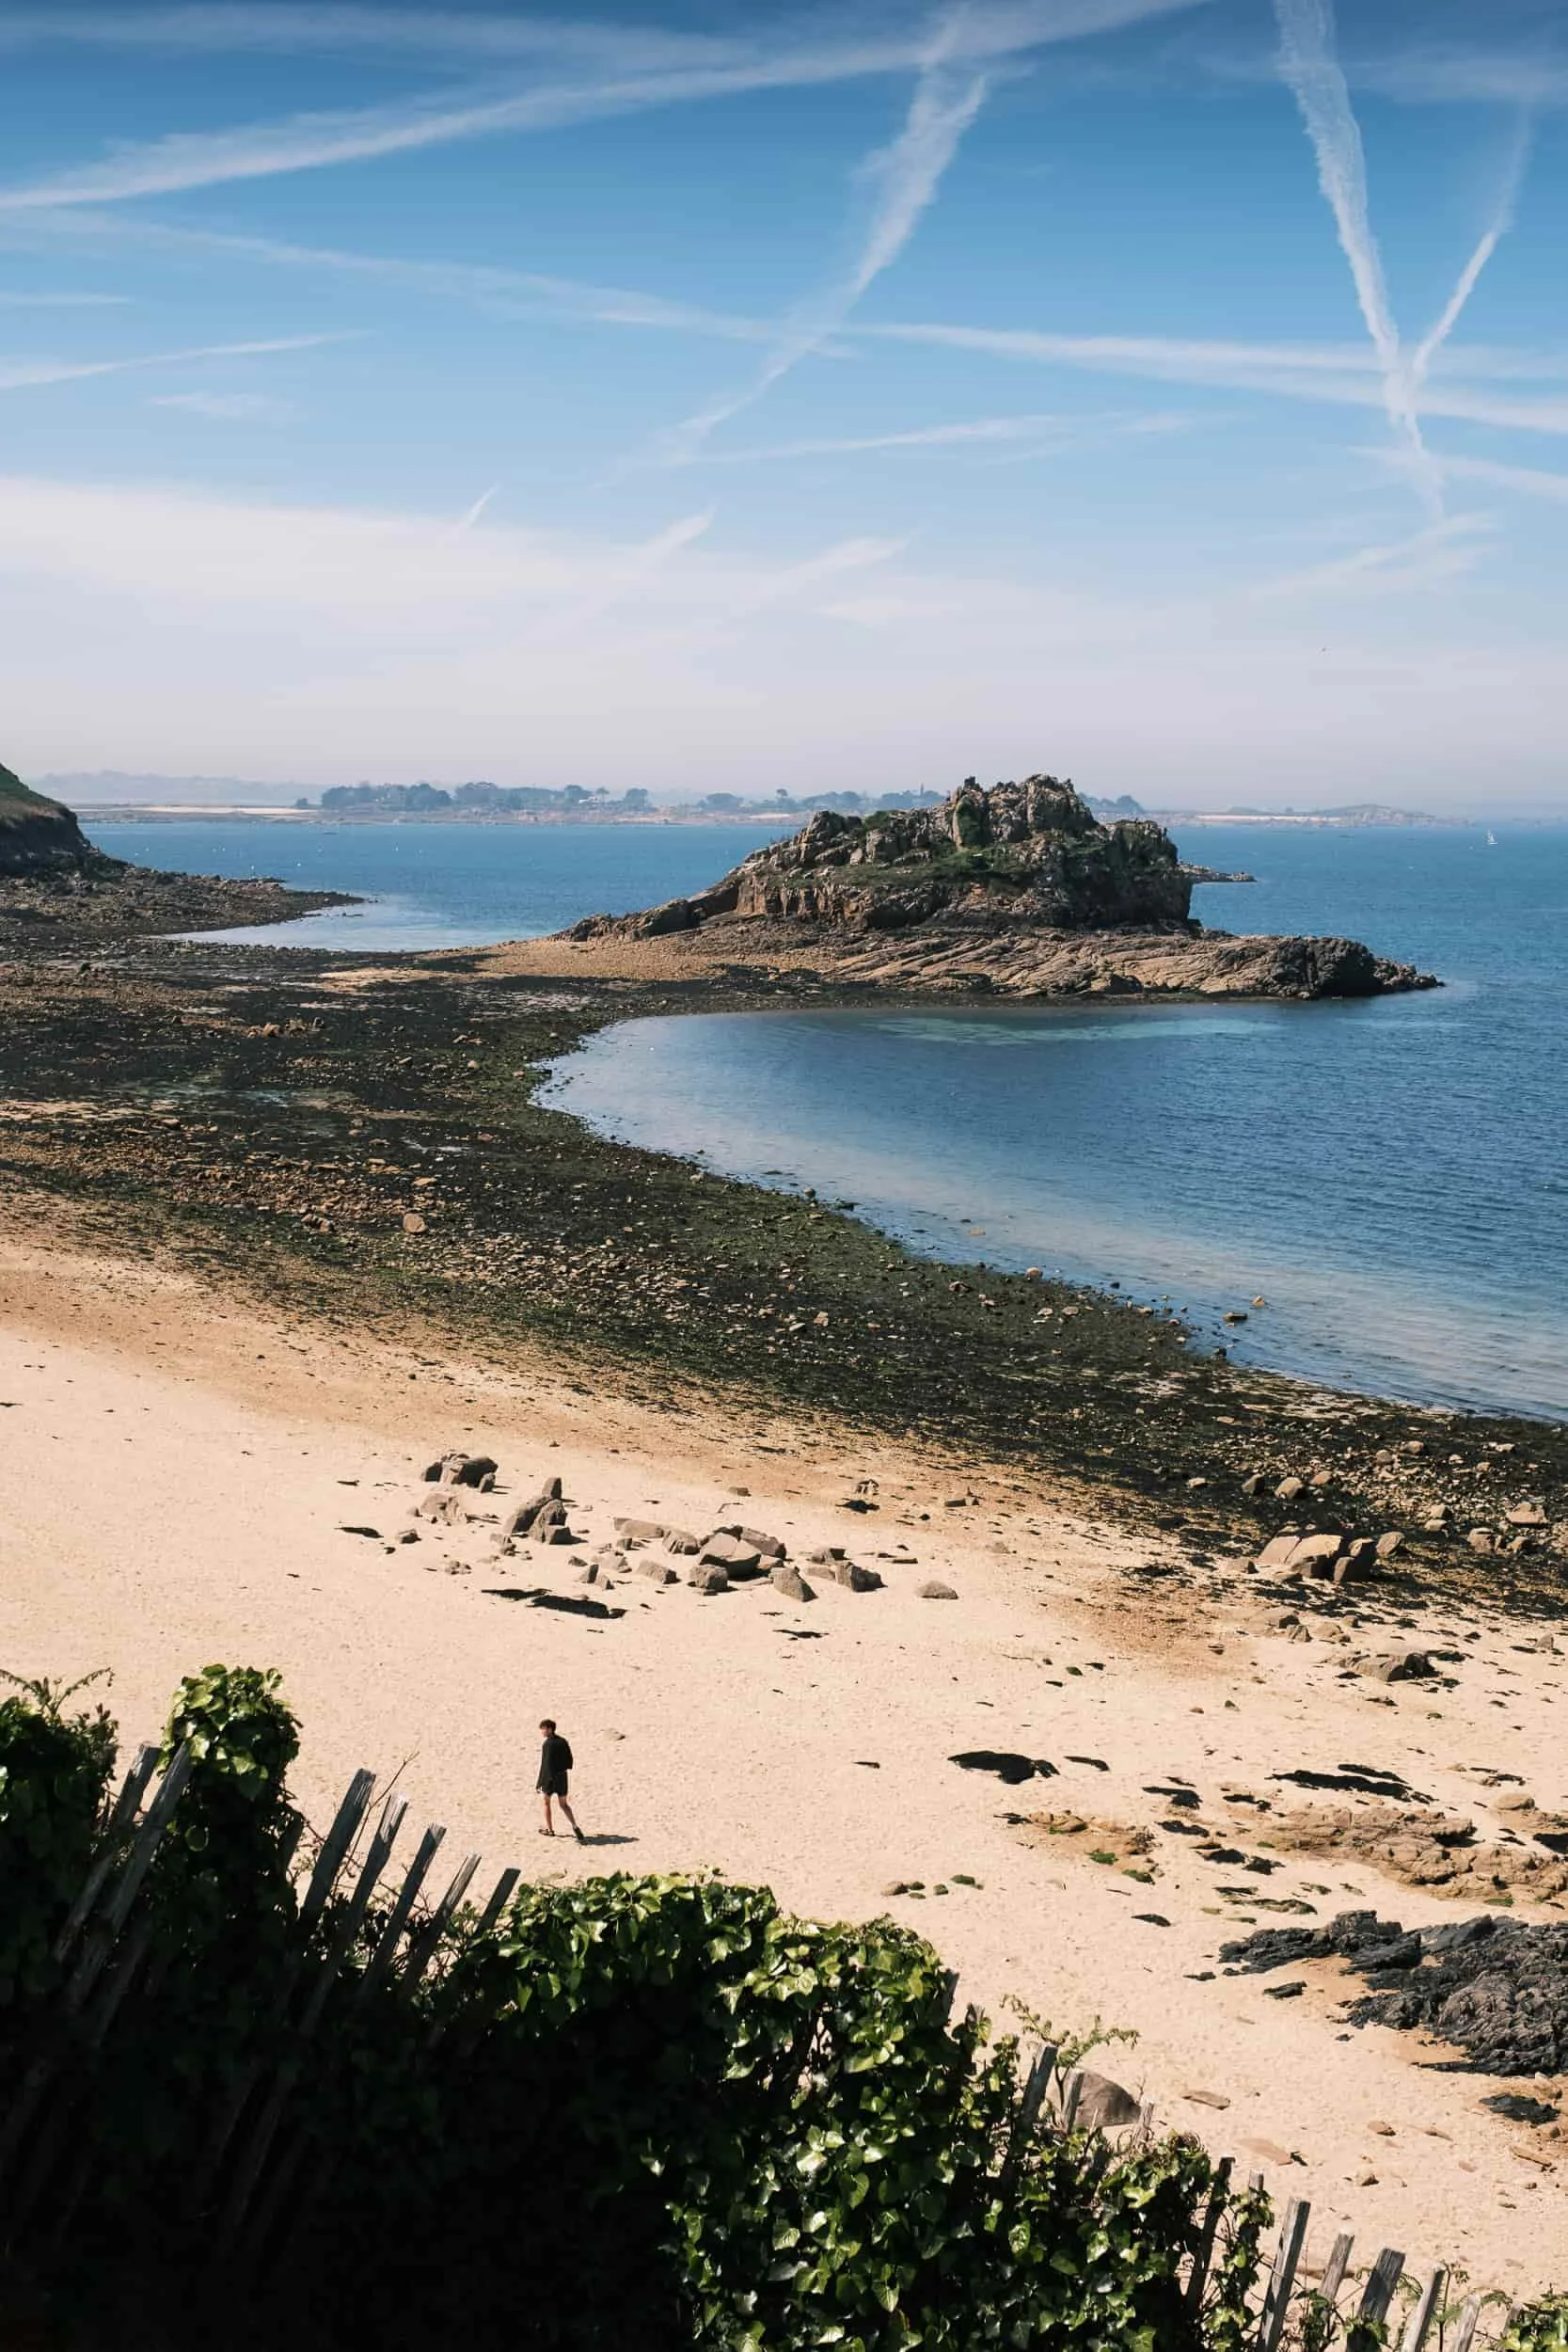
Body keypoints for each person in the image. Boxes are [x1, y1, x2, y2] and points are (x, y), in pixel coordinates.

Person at [537, 1718, 585, 1843]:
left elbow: (545, 1765)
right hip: (562, 1777)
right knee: (563, 1804)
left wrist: (540, 1782)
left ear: (549, 1729)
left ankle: (550, 1829)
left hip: (550, 1778)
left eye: (543, 1729)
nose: (542, 1732)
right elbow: (570, 1760)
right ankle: (575, 1826)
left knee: (546, 1802)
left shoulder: (547, 1744)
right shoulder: (563, 1741)